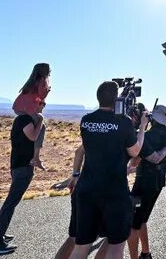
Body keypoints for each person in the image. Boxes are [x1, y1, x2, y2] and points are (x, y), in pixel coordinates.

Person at [69, 81, 147, 259]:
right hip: (114, 191)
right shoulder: (124, 122)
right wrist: (142, 127)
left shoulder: (86, 121)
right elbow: (134, 151)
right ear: (117, 100)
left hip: (87, 188)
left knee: (81, 245)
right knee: (116, 246)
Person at [0, 99, 46, 254]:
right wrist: (41, 121)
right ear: (32, 105)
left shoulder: (22, 119)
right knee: (10, 204)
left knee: (10, 203)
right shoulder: (25, 120)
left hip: (19, 165)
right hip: (23, 167)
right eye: (41, 103)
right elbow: (32, 136)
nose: (44, 106)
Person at [129, 105, 166, 259]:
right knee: (142, 218)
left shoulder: (147, 137)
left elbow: (138, 161)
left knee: (133, 223)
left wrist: (140, 129)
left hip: (144, 184)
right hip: (158, 182)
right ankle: (146, 253)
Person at [13, 63, 51, 170]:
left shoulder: (31, 82)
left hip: (19, 108)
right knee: (41, 126)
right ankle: (36, 158)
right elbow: (42, 95)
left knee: (36, 125)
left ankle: (35, 157)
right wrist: (47, 91)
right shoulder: (42, 80)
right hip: (27, 110)